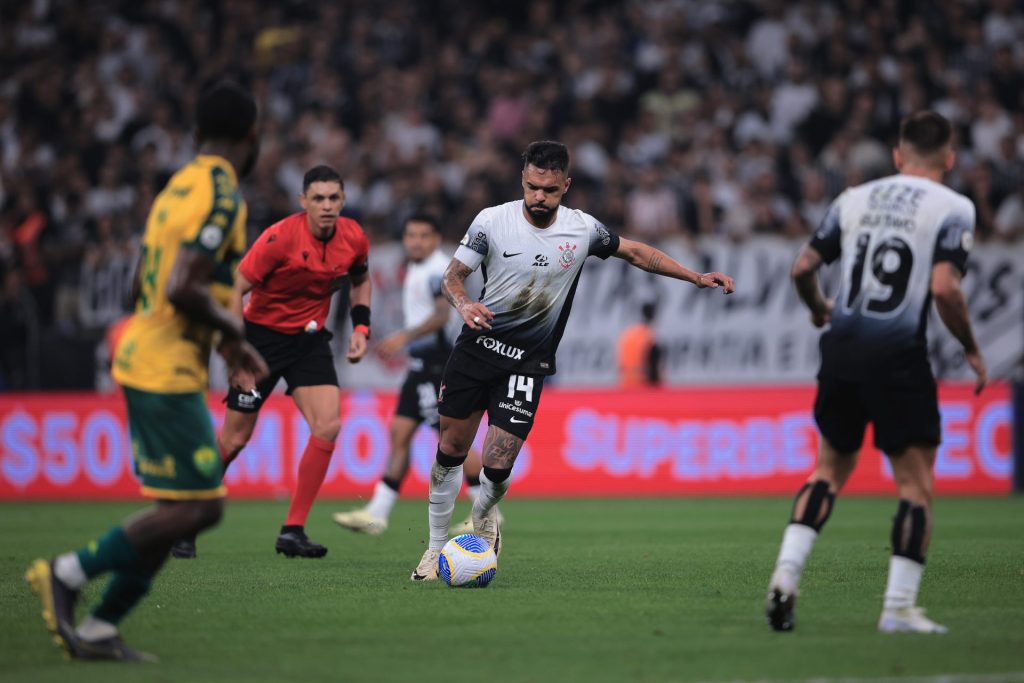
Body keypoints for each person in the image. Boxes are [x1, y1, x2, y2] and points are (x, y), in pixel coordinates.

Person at [410, 140, 735, 581]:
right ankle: (432, 550)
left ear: (566, 185)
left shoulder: (583, 230)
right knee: (450, 450)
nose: (539, 197)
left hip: (528, 361)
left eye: (549, 190)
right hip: (476, 351)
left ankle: (484, 514)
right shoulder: (492, 221)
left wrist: (694, 277)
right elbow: (453, 277)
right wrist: (464, 303)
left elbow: (637, 252)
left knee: (499, 464)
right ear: (522, 180)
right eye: (531, 187)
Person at [25, 80, 268, 661]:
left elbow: (142, 281)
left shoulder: (175, 187)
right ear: (252, 138)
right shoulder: (223, 195)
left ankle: (105, 626)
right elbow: (183, 285)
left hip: (144, 353)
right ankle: (66, 572)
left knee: (174, 510)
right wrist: (238, 340)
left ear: (195, 136)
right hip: (164, 370)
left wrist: (220, 344)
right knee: (202, 507)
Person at [765, 111, 987, 634]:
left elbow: (802, 267)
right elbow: (945, 288)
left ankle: (785, 576)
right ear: (949, 158)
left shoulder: (854, 198)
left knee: (827, 472)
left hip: (841, 348)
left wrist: (818, 308)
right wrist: (972, 349)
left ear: (897, 155)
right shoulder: (954, 206)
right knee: (915, 486)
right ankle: (899, 607)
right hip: (898, 357)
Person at [171, 164, 371, 560]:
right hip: (260, 340)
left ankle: (292, 530)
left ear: (344, 200)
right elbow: (236, 289)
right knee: (235, 439)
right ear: (303, 202)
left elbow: (361, 279)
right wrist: (234, 350)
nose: (327, 206)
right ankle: (184, 521)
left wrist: (361, 329)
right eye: (318, 198)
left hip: (309, 340)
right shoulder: (279, 238)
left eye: (334, 198)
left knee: (328, 425)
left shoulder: (354, 237)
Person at [332, 214, 496, 536]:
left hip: (436, 365)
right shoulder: (418, 267)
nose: (416, 242)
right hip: (418, 367)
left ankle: (488, 511)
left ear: (435, 240)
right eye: (411, 236)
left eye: (423, 235)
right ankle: (377, 514)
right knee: (399, 434)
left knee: (452, 441)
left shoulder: (437, 269)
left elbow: (440, 316)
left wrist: (402, 337)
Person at [617, 300, 662, 387]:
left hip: (626, 384)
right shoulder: (649, 337)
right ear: (654, 316)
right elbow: (654, 369)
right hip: (644, 385)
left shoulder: (627, 334)